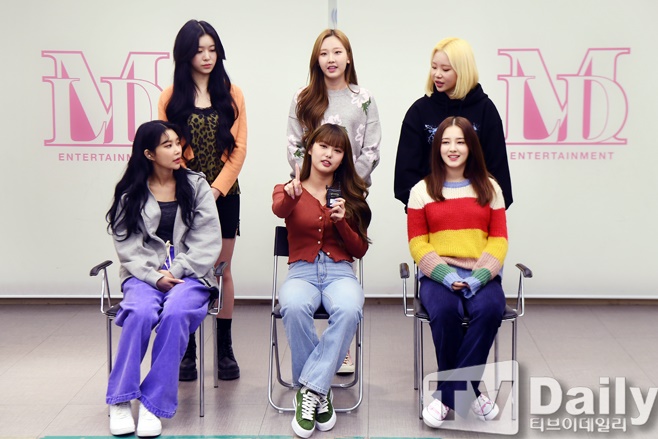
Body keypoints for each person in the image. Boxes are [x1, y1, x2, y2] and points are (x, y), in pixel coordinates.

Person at [104, 121, 222, 436]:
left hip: (190, 274)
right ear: (149, 154)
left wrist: (176, 271)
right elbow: (127, 246)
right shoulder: (131, 192)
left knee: (177, 311)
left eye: (177, 143)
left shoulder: (196, 185)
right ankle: (120, 399)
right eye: (167, 145)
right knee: (140, 312)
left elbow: (208, 240)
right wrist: (153, 277)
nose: (177, 150)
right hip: (143, 275)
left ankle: (152, 404)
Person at [287, 28, 380, 374]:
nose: (331, 59)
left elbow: (371, 148)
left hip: (349, 190)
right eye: (324, 53)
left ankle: (339, 349)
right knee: (313, 257)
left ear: (348, 57)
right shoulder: (303, 97)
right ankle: (327, 358)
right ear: (317, 59)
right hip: (310, 188)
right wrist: (313, 181)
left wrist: (347, 183)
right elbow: (294, 145)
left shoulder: (363, 98)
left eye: (337, 52)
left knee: (342, 261)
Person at [158, 19, 247, 381]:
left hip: (224, 196)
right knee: (187, 268)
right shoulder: (170, 98)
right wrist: (196, 191)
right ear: (185, 55)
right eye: (199, 51)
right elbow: (167, 149)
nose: (207, 57)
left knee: (222, 269)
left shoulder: (233, 93)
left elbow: (239, 149)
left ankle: (224, 348)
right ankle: (187, 350)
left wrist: (216, 190)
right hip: (184, 196)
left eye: (212, 49)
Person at [406, 116, 508, 428]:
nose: (453, 148)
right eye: (446, 142)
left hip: (481, 272)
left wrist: (479, 277)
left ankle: (446, 396)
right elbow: (418, 243)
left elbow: (499, 240)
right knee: (446, 311)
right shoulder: (421, 191)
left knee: (490, 309)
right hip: (438, 275)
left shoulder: (490, 188)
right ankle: (471, 393)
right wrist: (446, 276)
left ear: (471, 147)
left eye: (460, 142)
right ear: (437, 147)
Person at [273, 123, 371, 438]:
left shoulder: (351, 196)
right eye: (323, 146)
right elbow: (279, 209)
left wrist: (342, 223)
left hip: (340, 271)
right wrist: (291, 196)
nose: (329, 154)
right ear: (310, 149)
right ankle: (320, 390)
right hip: (301, 270)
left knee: (350, 308)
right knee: (293, 306)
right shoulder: (288, 188)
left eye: (337, 150)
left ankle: (310, 390)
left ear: (344, 158)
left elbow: (360, 250)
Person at [394, 37, 513, 211]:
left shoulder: (486, 110)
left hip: (477, 213)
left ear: (463, 71)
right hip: (430, 212)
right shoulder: (419, 111)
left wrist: (479, 209)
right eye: (434, 67)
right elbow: (405, 175)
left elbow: (497, 170)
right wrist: (429, 207)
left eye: (445, 69)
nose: (437, 74)